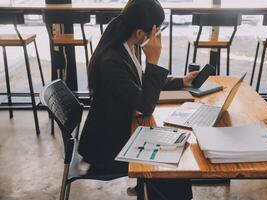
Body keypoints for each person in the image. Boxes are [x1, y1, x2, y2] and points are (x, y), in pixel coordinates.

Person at [78, 0, 199, 199]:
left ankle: (150, 188)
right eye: (157, 30)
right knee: (172, 159)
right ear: (142, 33)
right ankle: (152, 188)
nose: (158, 36)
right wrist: (153, 60)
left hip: (121, 129)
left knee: (176, 148)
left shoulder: (128, 46)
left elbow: (140, 83)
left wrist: (181, 81)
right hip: (107, 147)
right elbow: (146, 105)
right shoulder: (112, 60)